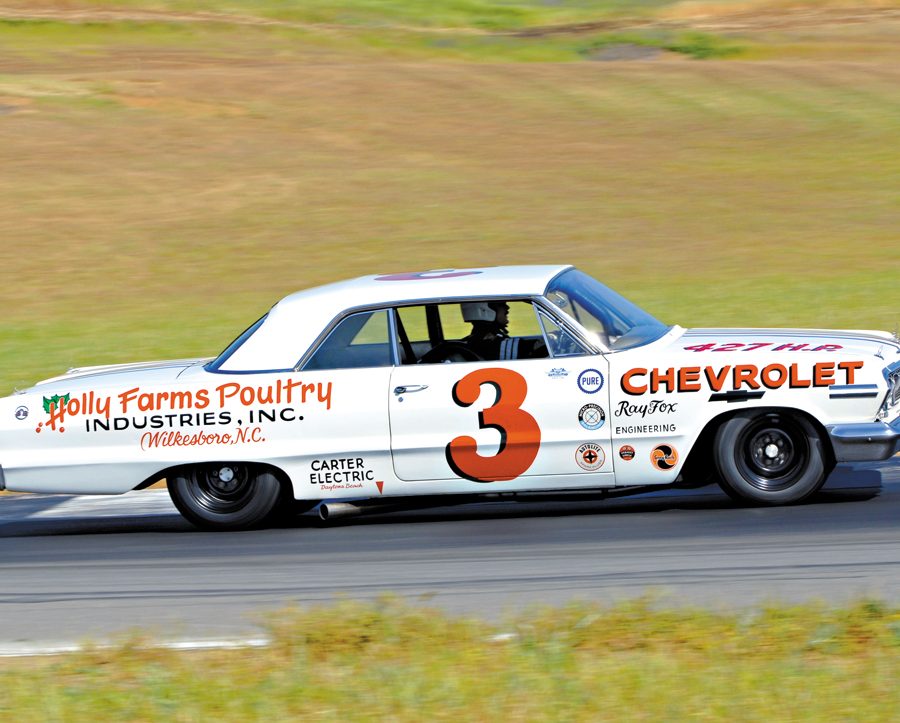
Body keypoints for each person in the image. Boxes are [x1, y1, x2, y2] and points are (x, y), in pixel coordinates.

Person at [461, 301, 546, 361]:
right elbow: (524, 349)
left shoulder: (476, 338)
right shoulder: (486, 342)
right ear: (483, 310)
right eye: (501, 304)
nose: (507, 307)